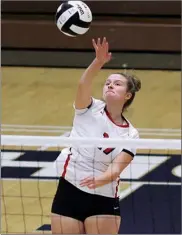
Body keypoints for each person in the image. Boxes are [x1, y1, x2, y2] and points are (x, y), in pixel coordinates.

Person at [51, 37, 141, 234]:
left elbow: (116, 168)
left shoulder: (130, 134)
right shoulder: (89, 108)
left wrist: (99, 180)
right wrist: (98, 62)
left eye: (117, 84)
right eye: (107, 82)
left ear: (128, 95)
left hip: (103, 198)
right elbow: (83, 84)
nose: (110, 85)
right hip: (69, 190)